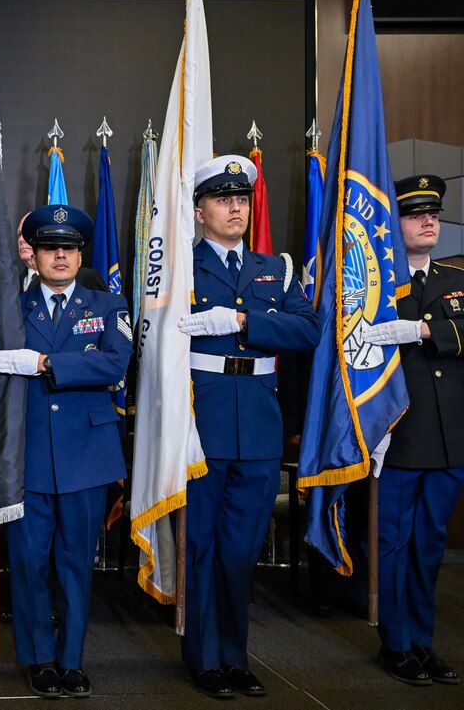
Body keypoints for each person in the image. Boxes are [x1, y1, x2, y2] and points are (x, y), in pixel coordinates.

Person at [177, 155, 318, 699]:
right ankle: (204, 659)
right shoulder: (181, 269)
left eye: (241, 199)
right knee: (202, 545)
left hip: (258, 423)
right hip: (203, 419)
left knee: (241, 548)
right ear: (199, 210)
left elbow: (307, 329)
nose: (235, 207)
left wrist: (242, 322)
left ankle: (235, 656)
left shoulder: (275, 269)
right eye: (222, 199)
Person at [0, 204, 131, 698]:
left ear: (80, 252)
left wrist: (47, 362)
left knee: (75, 563)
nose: (62, 255)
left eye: (69, 247)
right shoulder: (10, 308)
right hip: (25, 455)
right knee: (28, 562)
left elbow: (116, 364)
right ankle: (40, 659)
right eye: (51, 247)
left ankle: (72, 659)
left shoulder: (107, 305)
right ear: (34, 254)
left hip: (86, 453)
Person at [364, 174, 464, 687]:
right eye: (415, 213)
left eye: (434, 213)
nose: (429, 221)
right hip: (399, 434)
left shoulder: (455, 278)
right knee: (394, 543)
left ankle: (423, 642)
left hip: (450, 439)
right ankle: (397, 643)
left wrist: (425, 330)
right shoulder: (377, 283)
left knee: (430, 546)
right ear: (393, 222)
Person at [18, 212, 106, 292]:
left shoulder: (88, 278)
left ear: (79, 258)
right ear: (34, 260)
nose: (60, 254)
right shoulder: (12, 283)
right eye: (50, 248)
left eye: (68, 248)